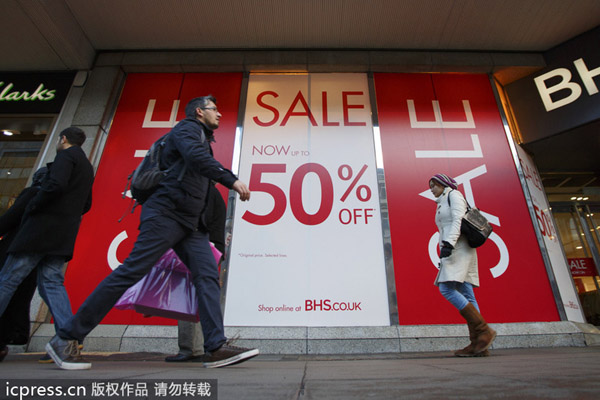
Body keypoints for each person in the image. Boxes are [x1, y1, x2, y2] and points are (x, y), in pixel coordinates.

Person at [46, 95, 258, 370]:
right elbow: (195, 158)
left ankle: (215, 346)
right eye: (214, 110)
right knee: (131, 271)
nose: (219, 114)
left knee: (207, 276)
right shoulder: (187, 130)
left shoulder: (202, 138)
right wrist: (231, 179)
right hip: (165, 215)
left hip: (191, 225)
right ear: (198, 112)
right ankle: (66, 337)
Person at [0, 127, 94, 361]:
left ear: (63, 139)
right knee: (52, 284)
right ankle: (67, 339)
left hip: (39, 232)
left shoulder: (65, 156)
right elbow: (87, 204)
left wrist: (34, 206)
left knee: (8, 279)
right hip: (63, 235)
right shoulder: (86, 166)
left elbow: (55, 185)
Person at [429, 173, 496, 357]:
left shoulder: (454, 195)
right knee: (467, 292)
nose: (431, 189)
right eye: (430, 186)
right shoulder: (441, 201)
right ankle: (479, 345)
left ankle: (484, 332)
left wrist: (449, 244)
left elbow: (458, 220)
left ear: (443, 184)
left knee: (446, 289)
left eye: (434, 185)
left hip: (458, 247)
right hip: (455, 247)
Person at [165, 183, 226, 362]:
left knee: (187, 297)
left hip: (201, 248)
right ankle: (199, 347)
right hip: (213, 249)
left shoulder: (200, 192)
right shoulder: (213, 193)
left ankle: (190, 348)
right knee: (202, 297)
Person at [0, 168, 47, 362]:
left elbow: (9, 219)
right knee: (20, 295)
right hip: (39, 252)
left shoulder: (32, 193)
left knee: (7, 287)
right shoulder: (55, 199)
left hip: (15, 248)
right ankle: (8, 336)